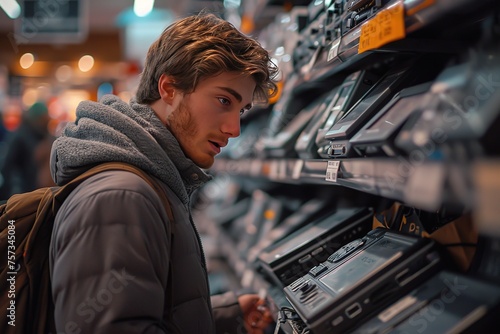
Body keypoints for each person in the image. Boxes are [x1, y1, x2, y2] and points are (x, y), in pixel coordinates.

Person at [49, 12, 278, 334]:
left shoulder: (150, 180)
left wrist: (223, 316)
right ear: (169, 88)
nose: (234, 129)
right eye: (223, 100)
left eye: (240, 111)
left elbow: (139, 312)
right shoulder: (122, 196)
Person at [0, 101, 54, 199]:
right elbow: (8, 166)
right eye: (43, 118)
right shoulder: (21, 136)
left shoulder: (43, 135)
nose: (46, 121)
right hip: (23, 194)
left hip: (37, 193)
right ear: (38, 118)